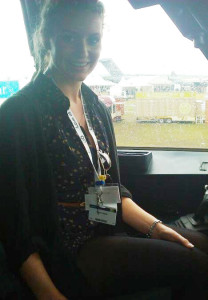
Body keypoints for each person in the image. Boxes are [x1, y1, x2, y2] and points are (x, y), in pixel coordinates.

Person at [0, 0, 208, 299]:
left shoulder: (95, 106)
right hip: (66, 251)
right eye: (69, 37)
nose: (83, 51)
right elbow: (15, 228)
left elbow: (110, 192)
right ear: (47, 38)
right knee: (198, 265)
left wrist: (156, 227)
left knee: (200, 245)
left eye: (92, 38)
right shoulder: (19, 115)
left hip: (105, 229)